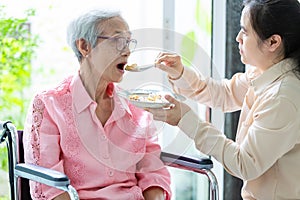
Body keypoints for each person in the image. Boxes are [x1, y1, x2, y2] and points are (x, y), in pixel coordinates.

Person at [147, 0, 300, 199]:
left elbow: (245, 163)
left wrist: (185, 119)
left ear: (273, 42)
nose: (238, 38)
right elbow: (224, 94)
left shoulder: (283, 97)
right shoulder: (265, 72)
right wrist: (180, 73)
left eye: (245, 32)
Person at [23, 9, 171, 200]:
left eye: (128, 42)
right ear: (85, 46)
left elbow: (153, 173)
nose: (127, 51)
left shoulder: (137, 106)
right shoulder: (49, 105)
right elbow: (49, 187)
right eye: (118, 41)